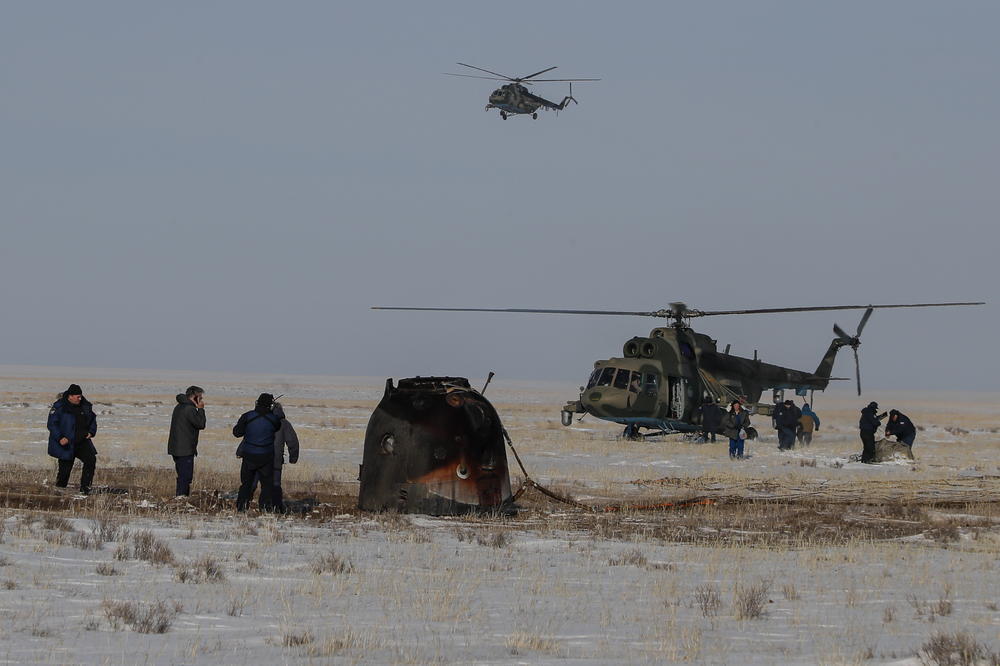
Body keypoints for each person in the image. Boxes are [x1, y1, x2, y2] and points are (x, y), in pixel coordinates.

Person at [233, 393, 282, 511]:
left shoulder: (247, 416)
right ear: (271, 405)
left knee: (246, 483)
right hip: (266, 456)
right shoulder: (274, 419)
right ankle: (264, 508)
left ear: (257, 403)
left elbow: (237, 433)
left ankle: (241, 507)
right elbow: (277, 426)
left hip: (249, 455)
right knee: (267, 485)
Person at [47, 384, 97, 494]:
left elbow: (92, 419)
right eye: (77, 397)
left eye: (80, 396)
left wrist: (91, 432)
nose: (80, 399)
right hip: (67, 443)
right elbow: (52, 424)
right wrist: (60, 438)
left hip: (82, 441)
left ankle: (85, 488)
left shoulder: (85, 406)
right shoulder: (60, 407)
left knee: (90, 460)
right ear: (70, 396)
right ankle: (59, 491)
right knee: (65, 471)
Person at [250, 400, 299, 513]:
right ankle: (276, 508)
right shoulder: (284, 424)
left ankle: (243, 505)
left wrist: (241, 451)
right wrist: (293, 457)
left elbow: (250, 437)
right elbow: (293, 441)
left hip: (257, 456)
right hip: (275, 460)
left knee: (252, 481)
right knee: (275, 484)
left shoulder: (260, 420)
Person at [167, 386, 207, 498]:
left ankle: (181, 497)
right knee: (185, 477)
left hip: (177, 447)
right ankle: (181, 498)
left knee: (182, 475)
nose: (201, 400)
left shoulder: (179, 406)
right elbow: (201, 424)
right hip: (185, 449)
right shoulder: (189, 409)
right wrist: (201, 409)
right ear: (194, 397)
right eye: (200, 397)